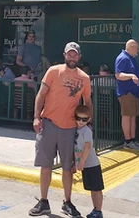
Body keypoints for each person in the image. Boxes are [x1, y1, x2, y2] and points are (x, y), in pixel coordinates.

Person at [29, 42, 91, 217]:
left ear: (79, 56)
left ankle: (67, 202)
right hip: (48, 123)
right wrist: (36, 117)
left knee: (67, 167)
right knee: (45, 164)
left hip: (70, 126)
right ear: (65, 54)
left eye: (75, 54)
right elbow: (41, 95)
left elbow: (87, 101)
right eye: (69, 54)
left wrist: (87, 120)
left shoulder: (84, 78)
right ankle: (43, 201)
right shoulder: (53, 71)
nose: (72, 57)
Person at [73, 104, 105, 218]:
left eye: (84, 119)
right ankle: (95, 209)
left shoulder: (86, 131)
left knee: (97, 189)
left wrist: (81, 162)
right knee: (92, 189)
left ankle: (98, 210)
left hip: (91, 164)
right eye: (78, 118)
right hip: (85, 165)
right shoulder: (76, 129)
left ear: (89, 119)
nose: (81, 121)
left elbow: (87, 146)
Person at [115, 39, 139, 151]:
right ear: (131, 47)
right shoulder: (123, 58)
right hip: (127, 93)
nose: (137, 50)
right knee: (127, 116)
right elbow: (118, 75)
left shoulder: (130, 58)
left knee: (133, 117)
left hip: (134, 94)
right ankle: (128, 141)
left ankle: (132, 140)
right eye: (136, 48)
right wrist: (131, 76)